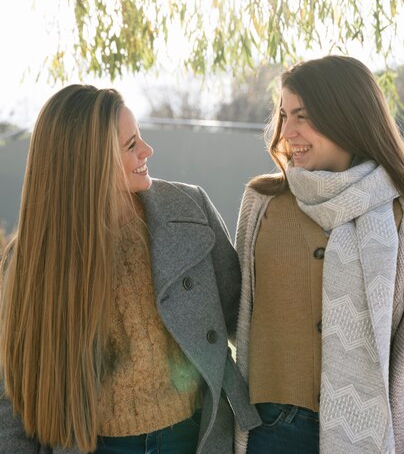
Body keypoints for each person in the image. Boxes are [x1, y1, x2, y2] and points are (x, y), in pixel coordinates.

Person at [0, 84, 260, 454]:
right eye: (130, 145)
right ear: (89, 161)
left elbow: (246, 319)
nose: (147, 151)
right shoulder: (32, 260)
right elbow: (11, 390)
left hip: (194, 437)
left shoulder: (189, 209)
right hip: (93, 445)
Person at [234, 55, 404, 454]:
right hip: (271, 428)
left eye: (302, 115)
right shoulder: (262, 202)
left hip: (370, 431)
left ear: (346, 115)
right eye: (283, 115)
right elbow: (235, 309)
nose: (287, 132)